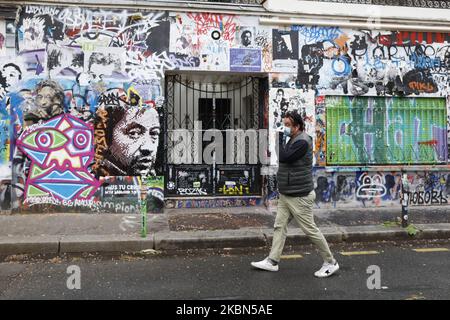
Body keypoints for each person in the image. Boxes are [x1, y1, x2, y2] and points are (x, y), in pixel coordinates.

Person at [251, 110, 339, 278]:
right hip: (287, 194)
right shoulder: (293, 138)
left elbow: (284, 157)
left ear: (297, 126)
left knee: (310, 230)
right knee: (279, 226)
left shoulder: (303, 142)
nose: (285, 128)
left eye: (288, 125)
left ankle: (331, 262)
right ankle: (272, 261)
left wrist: (278, 138)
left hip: (299, 196)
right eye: (284, 124)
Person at [97, 106, 160, 177]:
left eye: (154, 133)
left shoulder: (155, 183)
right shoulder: (95, 178)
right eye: (133, 133)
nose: (148, 148)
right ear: (107, 137)